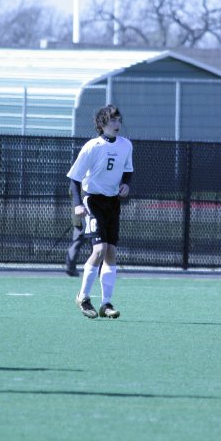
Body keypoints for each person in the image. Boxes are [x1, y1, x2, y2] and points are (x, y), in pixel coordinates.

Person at [67, 104, 133, 319]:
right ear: (102, 124)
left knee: (111, 252)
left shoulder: (126, 145)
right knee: (99, 250)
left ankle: (106, 304)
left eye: (119, 120)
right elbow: (74, 179)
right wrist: (77, 203)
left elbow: (128, 171)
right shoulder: (92, 146)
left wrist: (125, 184)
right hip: (93, 201)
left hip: (112, 203)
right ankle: (83, 297)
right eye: (112, 120)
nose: (117, 124)